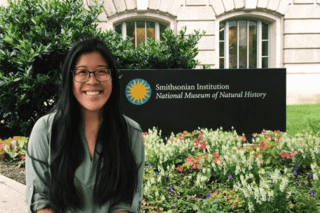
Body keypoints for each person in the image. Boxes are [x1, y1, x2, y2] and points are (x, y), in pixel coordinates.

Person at [25, 38, 145, 213]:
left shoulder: (131, 133)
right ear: (70, 78)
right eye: (82, 72)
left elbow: (126, 202)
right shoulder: (44, 131)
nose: (92, 80)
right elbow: (40, 201)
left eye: (101, 71)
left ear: (112, 77)